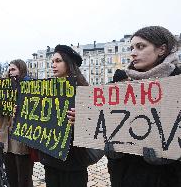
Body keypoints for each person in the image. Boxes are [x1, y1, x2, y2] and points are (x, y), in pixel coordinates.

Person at [105, 26, 181, 187]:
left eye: (141, 46)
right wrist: (112, 153)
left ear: (161, 49)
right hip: (124, 177)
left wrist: (173, 155)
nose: (133, 52)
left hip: (165, 179)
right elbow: (107, 126)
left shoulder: (178, 82)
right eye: (132, 47)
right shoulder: (119, 84)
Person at [40, 45, 102, 187]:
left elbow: (98, 123)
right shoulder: (45, 90)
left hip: (73, 162)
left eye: (58, 61)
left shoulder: (83, 90)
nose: (53, 65)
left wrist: (83, 119)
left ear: (69, 63)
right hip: (51, 160)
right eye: (52, 61)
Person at [0, 59, 33, 187]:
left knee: (23, 173)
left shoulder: (28, 85)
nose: (10, 72)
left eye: (13, 69)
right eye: (9, 69)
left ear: (21, 70)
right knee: (10, 171)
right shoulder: (6, 86)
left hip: (21, 135)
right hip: (6, 134)